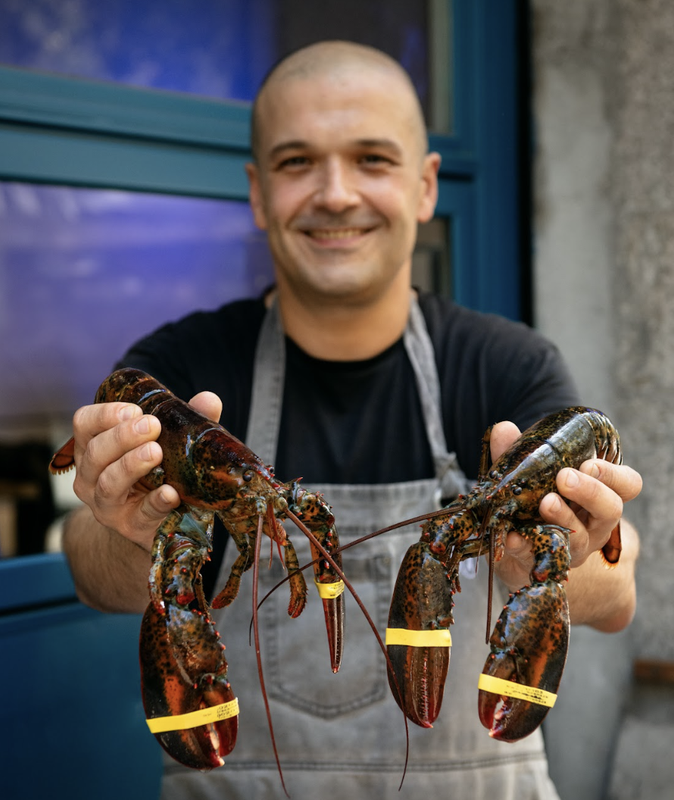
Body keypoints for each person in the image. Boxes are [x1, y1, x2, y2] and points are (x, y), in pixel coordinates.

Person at [61, 41, 641, 800]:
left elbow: (619, 595)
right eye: (298, 162)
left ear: (427, 185)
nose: (336, 194)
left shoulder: (510, 366)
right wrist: (125, 532)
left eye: (372, 158)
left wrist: (559, 563)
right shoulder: (183, 367)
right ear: (259, 191)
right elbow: (85, 565)